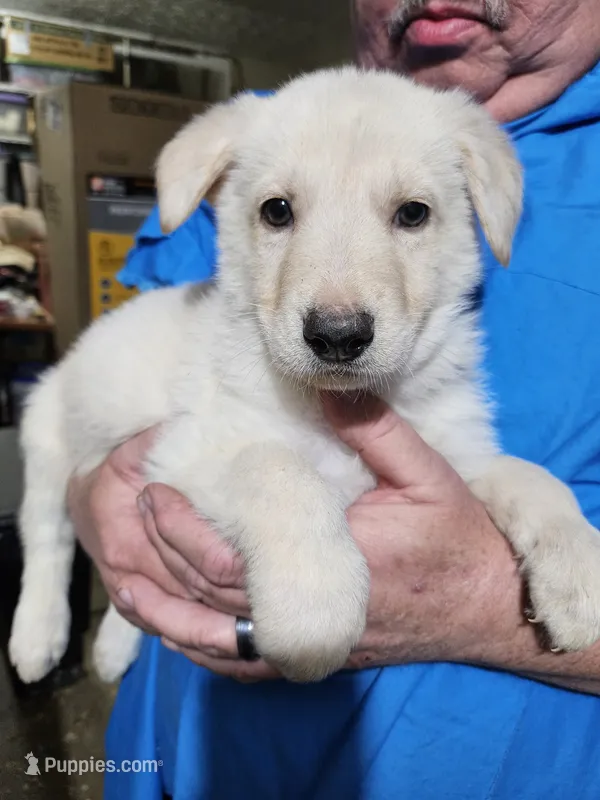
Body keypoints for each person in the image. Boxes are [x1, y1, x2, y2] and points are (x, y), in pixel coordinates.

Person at [68, 1, 600, 797]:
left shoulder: (470, 152)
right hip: (180, 752)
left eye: (411, 213)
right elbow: (147, 408)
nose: (338, 310)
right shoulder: (279, 128)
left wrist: (485, 600)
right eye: (279, 212)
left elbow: (475, 466)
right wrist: (95, 506)